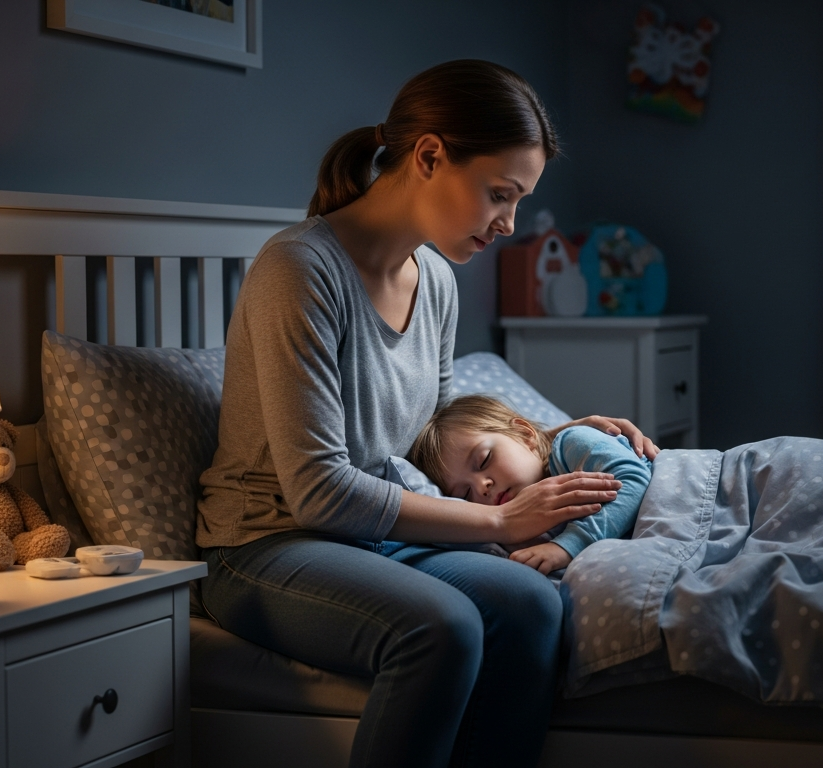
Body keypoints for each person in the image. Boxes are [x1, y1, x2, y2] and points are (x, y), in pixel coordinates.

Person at [195, 60, 658, 768]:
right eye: (499, 195)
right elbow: (318, 492)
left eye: (518, 201)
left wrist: (556, 438)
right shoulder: (299, 269)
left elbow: (433, 432)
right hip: (267, 543)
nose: (508, 225)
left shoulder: (436, 277)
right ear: (431, 155)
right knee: (440, 628)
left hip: (373, 539)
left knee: (534, 605)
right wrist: (503, 520)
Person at [409, 394, 654, 575]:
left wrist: (566, 547)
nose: (482, 486)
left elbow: (633, 482)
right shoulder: (521, 526)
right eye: (465, 493)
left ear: (525, 435)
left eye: (484, 460)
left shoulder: (573, 444)